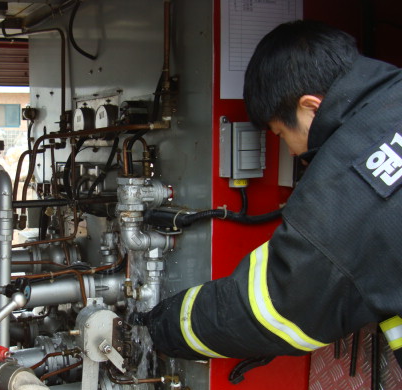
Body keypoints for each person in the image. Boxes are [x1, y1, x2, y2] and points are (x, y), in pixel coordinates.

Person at [139, 20, 402, 367]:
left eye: (280, 134)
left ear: (311, 106)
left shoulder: (348, 190)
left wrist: (160, 328)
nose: (292, 152)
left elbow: (274, 308)